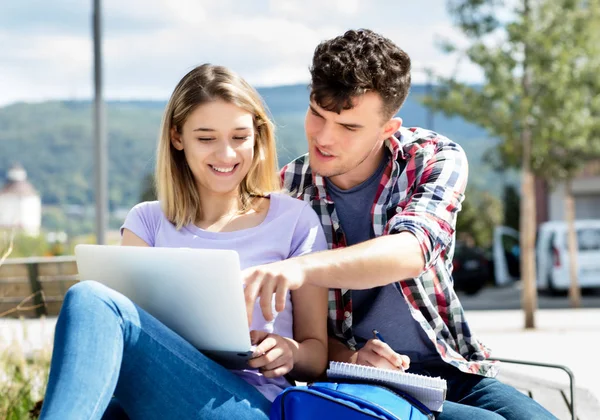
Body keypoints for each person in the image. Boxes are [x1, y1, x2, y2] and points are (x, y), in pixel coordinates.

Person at [242, 30, 557, 419]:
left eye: (349, 127)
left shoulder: (433, 159)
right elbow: (306, 336)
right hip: (354, 380)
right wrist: (353, 358)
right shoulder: (287, 191)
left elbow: (412, 250)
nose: (323, 137)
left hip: (450, 369)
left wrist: (299, 267)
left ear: (388, 129)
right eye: (317, 114)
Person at [39, 64, 328, 420]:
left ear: (258, 135)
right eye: (206, 138)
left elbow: (317, 355)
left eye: (239, 137)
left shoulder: (295, 220)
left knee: (90, 298)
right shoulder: (146, 222)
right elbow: (128, 343)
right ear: (178, 138)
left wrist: (290, 352)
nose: (226, 154)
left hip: (250, 405)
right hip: (157, 398)